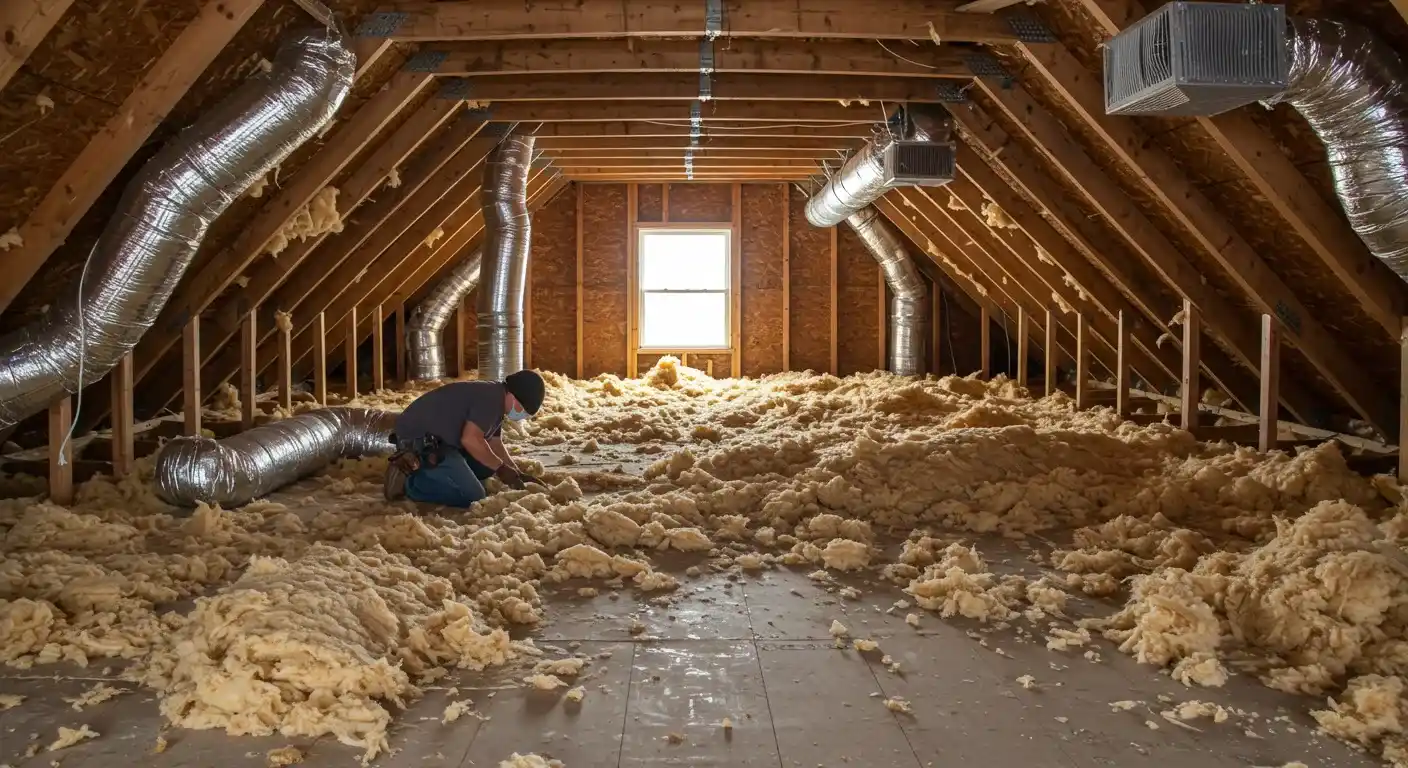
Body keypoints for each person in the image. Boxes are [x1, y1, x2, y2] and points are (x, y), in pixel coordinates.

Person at [383, 369, 546, 507]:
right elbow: (470, 440)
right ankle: (409, 483)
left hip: (443, 442)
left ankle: (447, 474)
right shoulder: (490, 399)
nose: (521, 414)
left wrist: (515, 472)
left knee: (488, 465)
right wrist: (501, 469)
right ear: (512, 395)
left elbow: (494, 443)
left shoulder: (497, 400)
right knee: (473, 495)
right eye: (522, 409)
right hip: (421, 441)